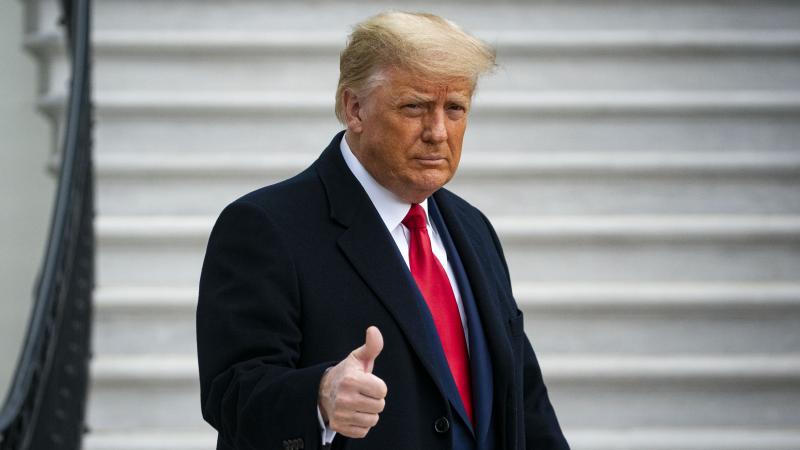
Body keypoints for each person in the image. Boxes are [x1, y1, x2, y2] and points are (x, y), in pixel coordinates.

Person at [197, 11, 569, 450]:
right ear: (354, 109)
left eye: (455, 108)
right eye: (414, 106)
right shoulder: (264, 225)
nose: (437, 132)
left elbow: (523, 398)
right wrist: (318, 396)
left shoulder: (473, 228)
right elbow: (231, 392)